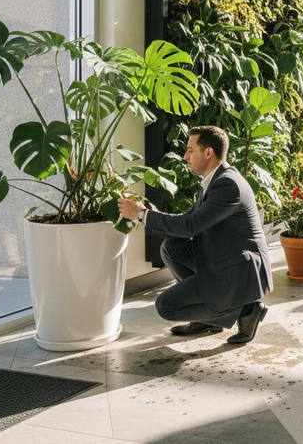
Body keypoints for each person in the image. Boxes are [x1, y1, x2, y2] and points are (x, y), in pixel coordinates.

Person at [117, 126, 273, 345]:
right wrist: (146, 213)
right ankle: (209, 319)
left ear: (208, 152)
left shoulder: (228, 185)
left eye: (190, 150)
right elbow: (188, 218)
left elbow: (190, 226)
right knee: (172, 248)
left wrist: (141, 215)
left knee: (166, 306)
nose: (185, 156)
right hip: (224, 259)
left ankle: (246, 309)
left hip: (239, 270)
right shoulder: (216, 180)